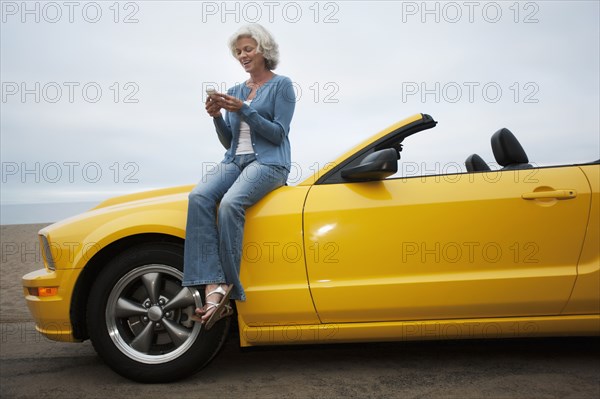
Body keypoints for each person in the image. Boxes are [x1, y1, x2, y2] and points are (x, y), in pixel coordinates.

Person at [182, 23, 296, 329]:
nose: (243, 55)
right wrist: (217, 116)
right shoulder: (234, 91)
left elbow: (277, 134)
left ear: (264, 50)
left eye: (248, 49)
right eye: (238, 52)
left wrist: (245, 110)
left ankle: (227, 289)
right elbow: (228, 141)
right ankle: (211, 282)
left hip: (270, 163)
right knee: (199, 196)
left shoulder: (282, 86)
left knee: (231, 203)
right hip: (235, 160)